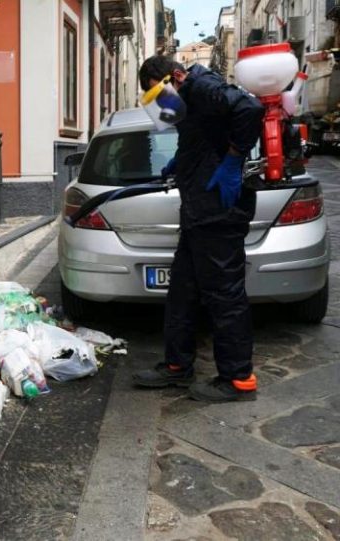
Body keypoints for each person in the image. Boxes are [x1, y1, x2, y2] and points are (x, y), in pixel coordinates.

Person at [132, 56, 265, 402]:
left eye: (159, 92)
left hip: (218, 212)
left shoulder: (203, 86)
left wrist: (234, 159)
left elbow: (249, 109)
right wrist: (182, 159)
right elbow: (199, 135)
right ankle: (177, 367)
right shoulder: (188, 96)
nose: (161, 102)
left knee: (224, 295)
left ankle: (238, 379)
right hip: (198, 212)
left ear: (176, 75)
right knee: (182, 292)